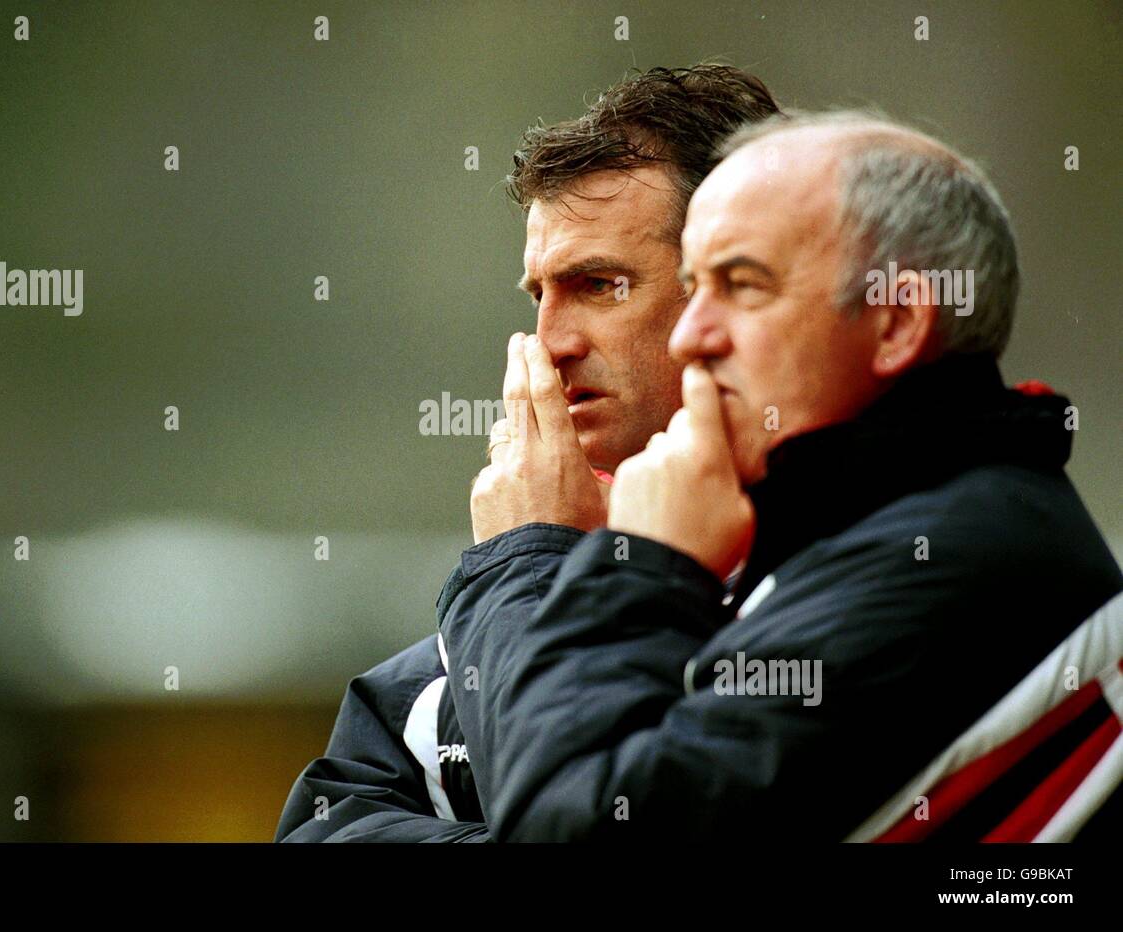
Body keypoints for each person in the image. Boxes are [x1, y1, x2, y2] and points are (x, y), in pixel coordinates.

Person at [438, 111, 1123, 841]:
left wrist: (569, 564)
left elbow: (577, 831)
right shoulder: (860, 529)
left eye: (742, 285)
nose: (690, 334)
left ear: (896, 323)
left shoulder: (961, 555)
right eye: (696, 285)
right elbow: (336, 809)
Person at [275, 65, 782, 841]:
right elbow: (323, 827)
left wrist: (522, 560)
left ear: (737, 289)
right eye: (538, 294)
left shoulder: (849, 573)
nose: (550, 342)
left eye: (600, 284)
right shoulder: (549, 573)